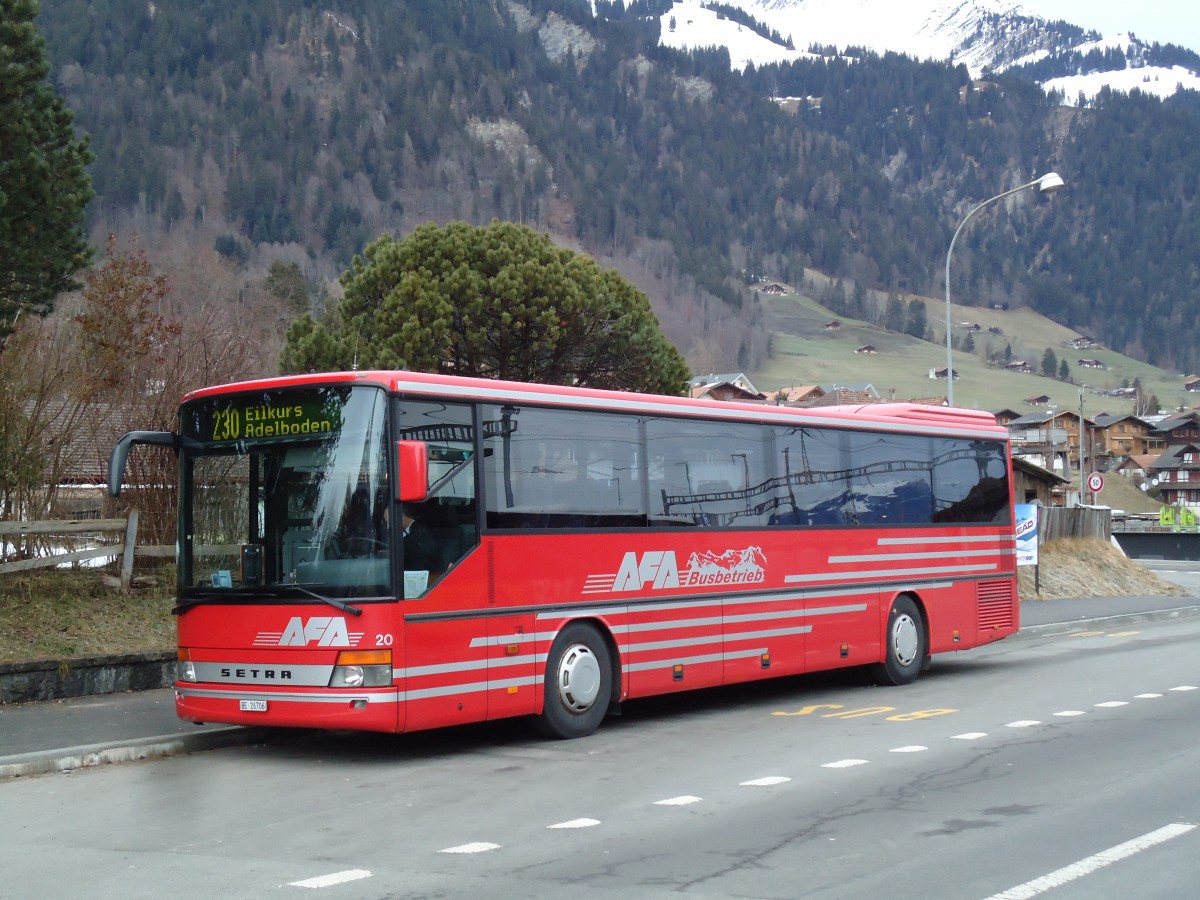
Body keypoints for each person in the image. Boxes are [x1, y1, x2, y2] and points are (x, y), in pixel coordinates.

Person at [401, 503, 438, 571]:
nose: (388, 526)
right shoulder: (409, 531)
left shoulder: (419, 534)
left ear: (402, 517)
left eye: (388, 522)